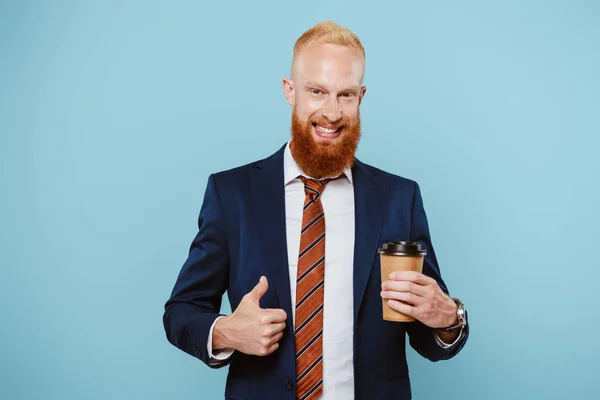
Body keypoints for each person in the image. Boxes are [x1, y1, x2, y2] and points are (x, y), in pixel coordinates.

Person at [163, 21, 469, 400]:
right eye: (317, 92)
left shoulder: (398, 198)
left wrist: (449, 319)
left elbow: (427, 332)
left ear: (362, 96)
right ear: (290, 91)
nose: (332, 112)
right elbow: (181, 310)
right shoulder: (232, 194)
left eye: (346, 95)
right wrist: (225, 331)